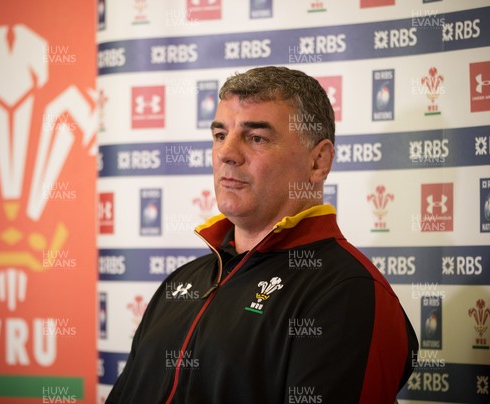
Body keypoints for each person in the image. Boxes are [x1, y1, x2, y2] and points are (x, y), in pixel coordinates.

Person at [107, 66, 418, 404]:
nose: (227, 153)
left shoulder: (348, 292)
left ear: (318, 161)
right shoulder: (182, 282)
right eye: (220, 135)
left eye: (256, 138)